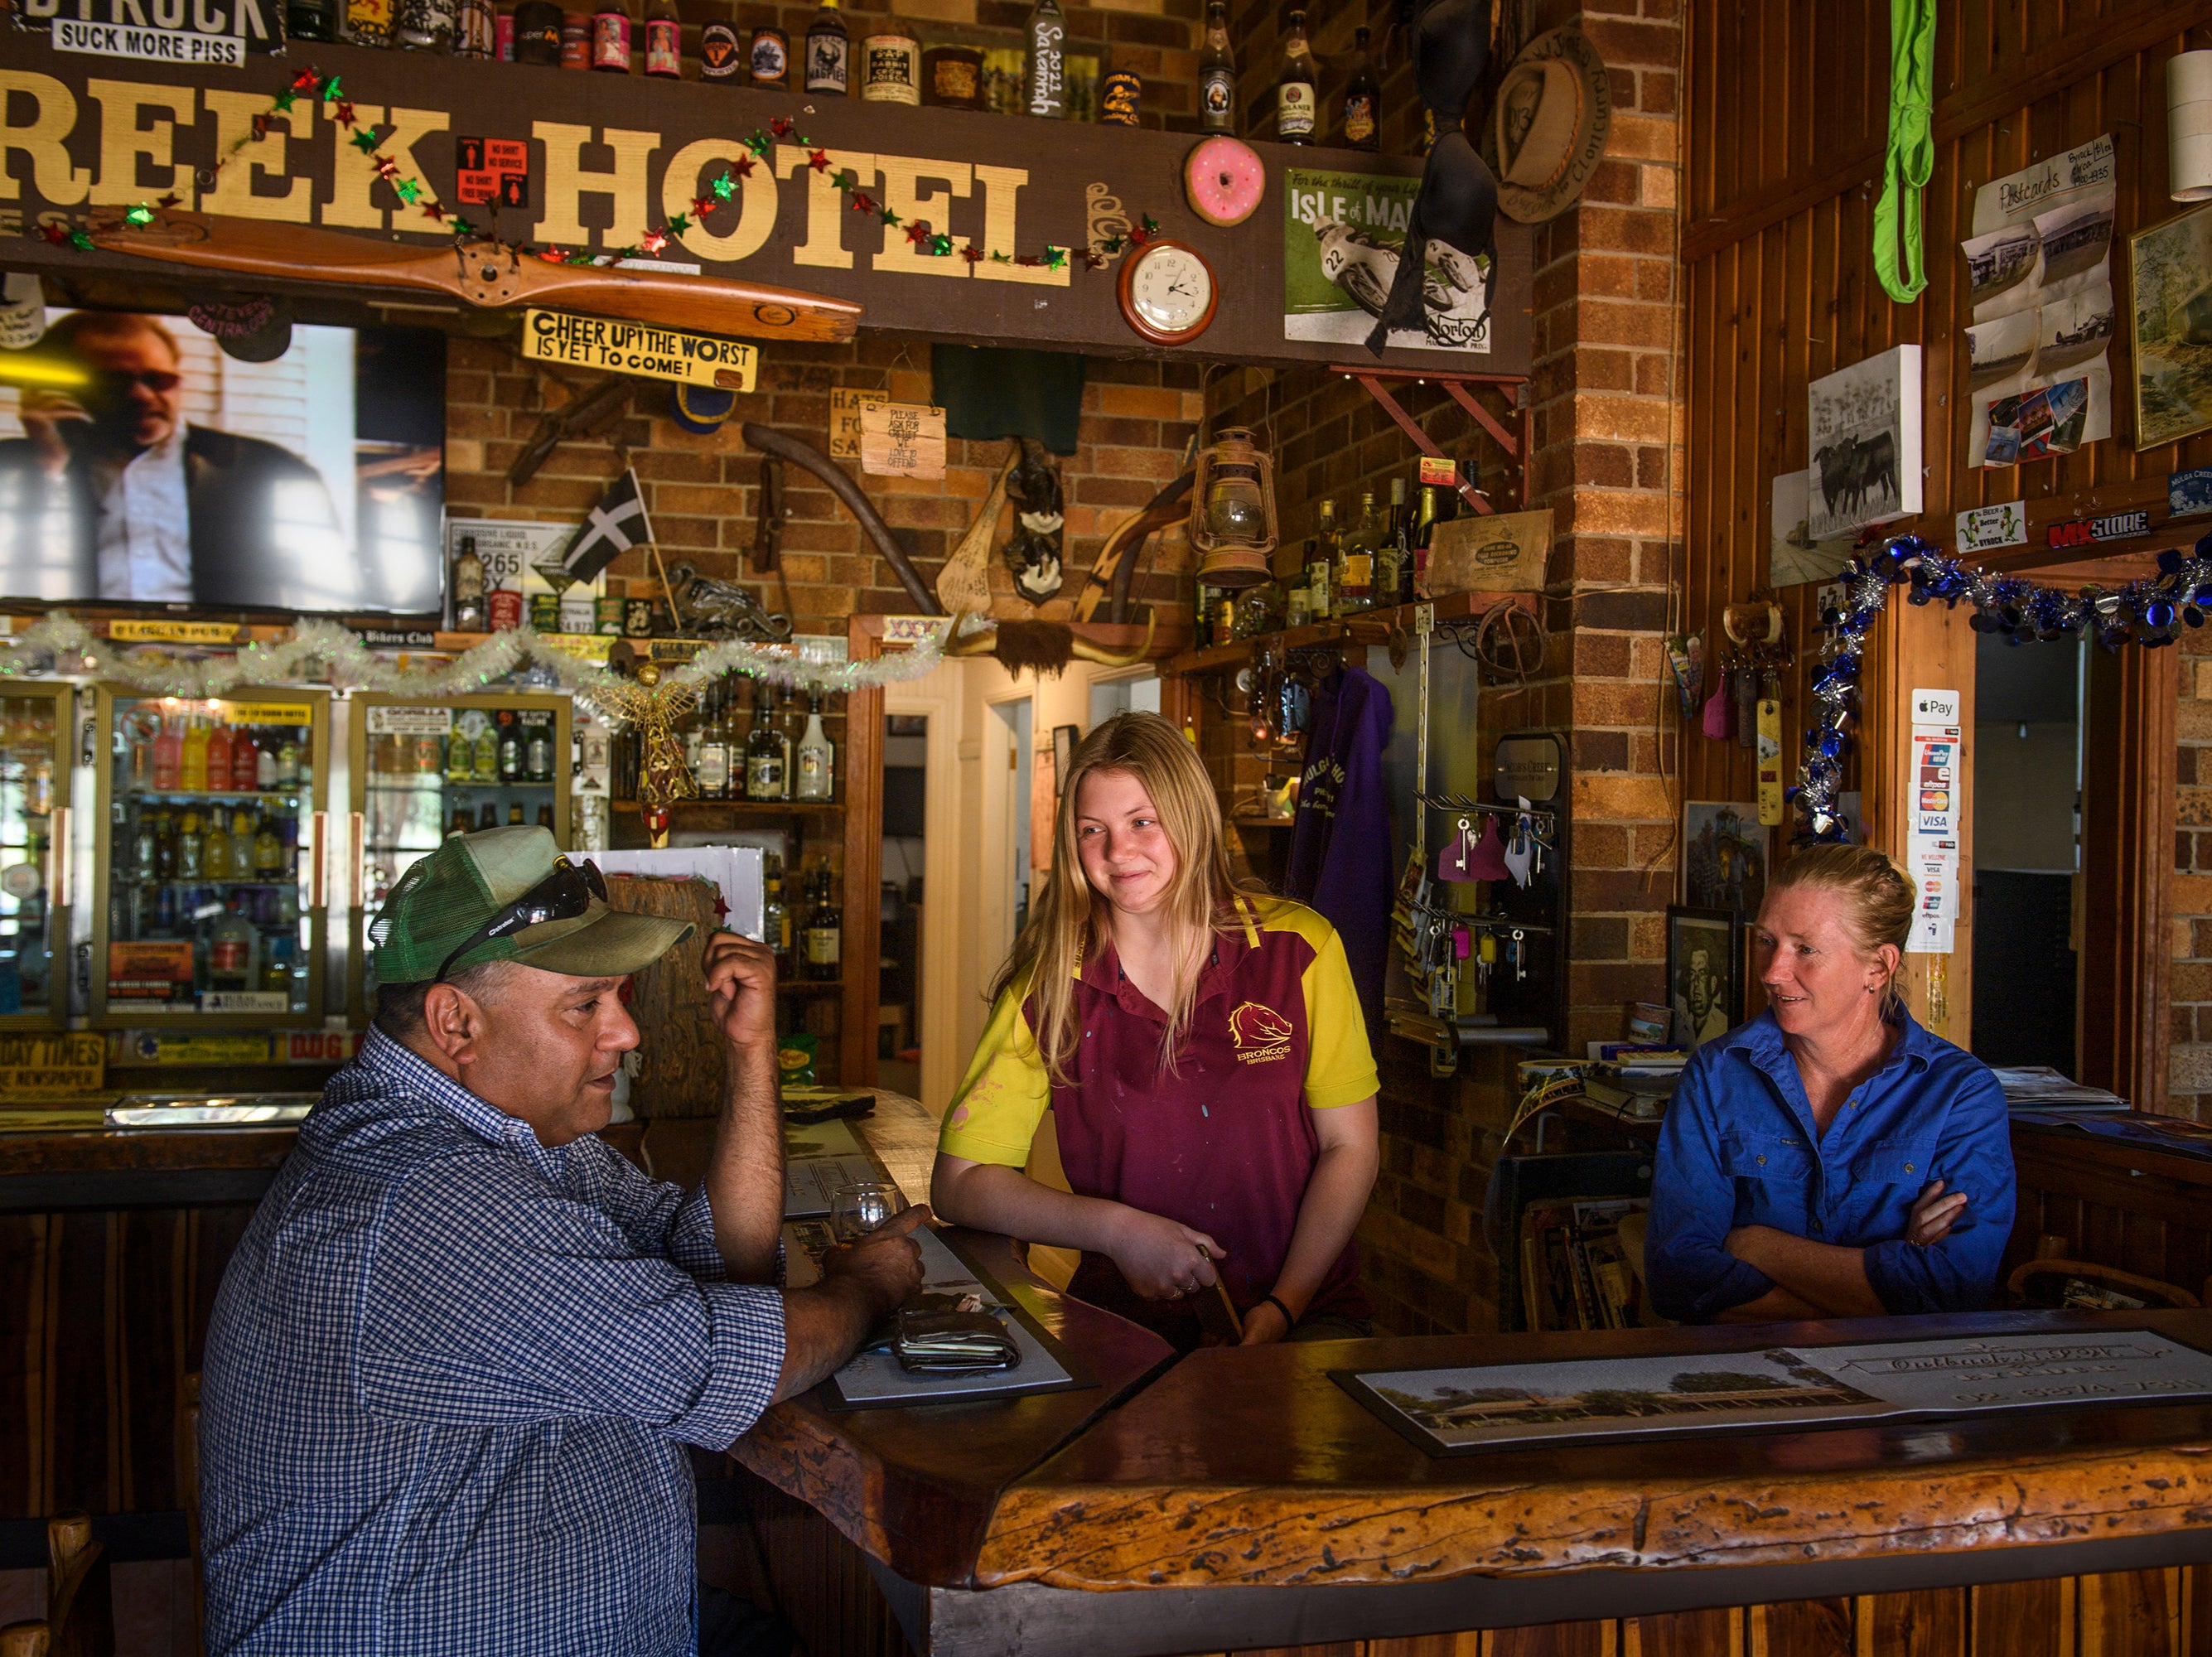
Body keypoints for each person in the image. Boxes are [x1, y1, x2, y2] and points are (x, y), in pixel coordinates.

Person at [198, 828, 926, 1655]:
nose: (626, 1033)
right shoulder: (425, 1198)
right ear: (456, 1021)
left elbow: (725, 1264)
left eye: (618, 997)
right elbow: (730, 1359)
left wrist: (751, 1053)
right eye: (585, 1004)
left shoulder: (518, 1142)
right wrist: (873, 1284)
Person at [930, 712, 1380, 1350]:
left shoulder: (1299, 950)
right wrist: (1118, 1232)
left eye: (1143, 821)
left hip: (1308, 1317)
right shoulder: (1048, 988)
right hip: (1125, 1327)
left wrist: (1284, 1306)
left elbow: (1351, 1149)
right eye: (1094, 831)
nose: (1118, 852)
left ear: (1191, 815)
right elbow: (961, 1181)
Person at [1646, 843, 2015, 1323]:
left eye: (1805, 949)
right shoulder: (1717, 1075)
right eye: (1766, 941)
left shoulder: (1960, 1094)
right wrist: (1886, 1285)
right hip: (1748, 1376)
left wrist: (1756, 1244)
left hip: (1902, 1384)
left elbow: (1953, 1290)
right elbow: (1680, 1280)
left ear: (1878, 968)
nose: (1773, 971)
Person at [0, 309, 353, 609]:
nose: (141, 395)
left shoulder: (270, 471)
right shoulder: (16, 469)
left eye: (158, 379)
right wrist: (47, 468)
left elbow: (329, 599)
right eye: (113, 382)